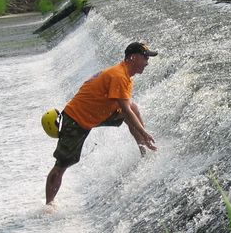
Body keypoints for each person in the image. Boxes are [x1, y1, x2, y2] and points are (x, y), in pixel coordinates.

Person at [45, 42, 158, 204]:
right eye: (145, 57)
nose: (147, 62)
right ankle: (49, 205)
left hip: (97, 114)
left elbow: (128, 110)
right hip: (76, 120)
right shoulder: (119, 76)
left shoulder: (126, 76)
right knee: (61, 166)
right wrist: (144, 131)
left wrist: (142, 133)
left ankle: (144, 151)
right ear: (132, 57)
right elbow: (125, 110)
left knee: (133, 108)